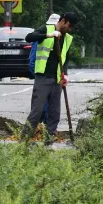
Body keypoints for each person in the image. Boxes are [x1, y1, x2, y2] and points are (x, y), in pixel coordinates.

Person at [21, 12, 77, 144]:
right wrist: (49, 35)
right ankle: (24, 141)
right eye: (69, 25)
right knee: (37, 110)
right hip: (43, 77)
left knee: (54, 113)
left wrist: (65, 74)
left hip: (57, 79)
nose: (69, 29)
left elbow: (65, 58)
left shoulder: (68, 38)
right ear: (63, 21)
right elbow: (29, 37)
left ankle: (49, 141)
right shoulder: (47, 29)